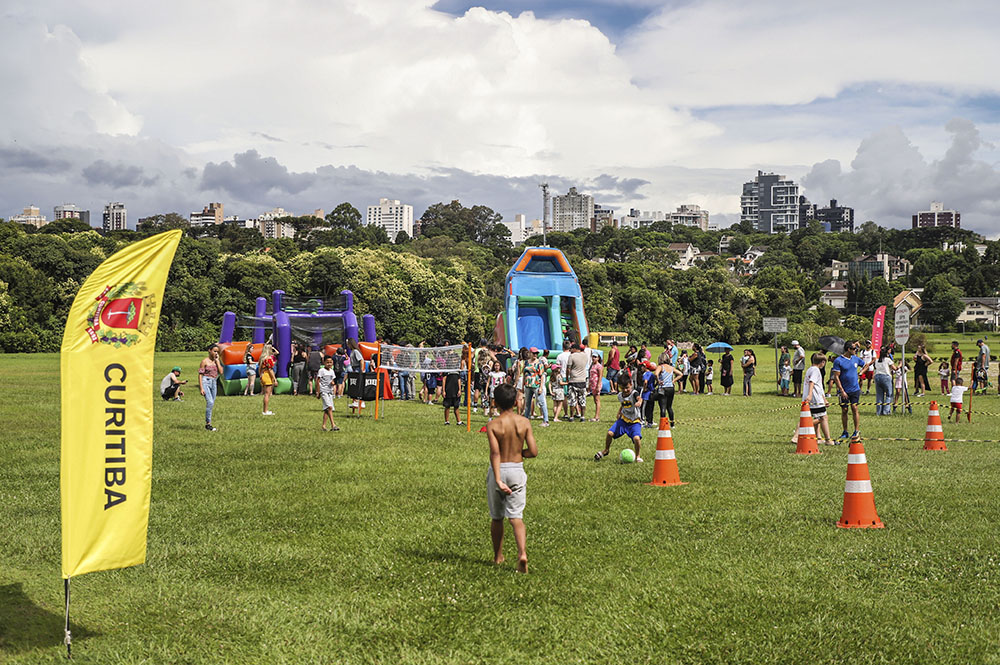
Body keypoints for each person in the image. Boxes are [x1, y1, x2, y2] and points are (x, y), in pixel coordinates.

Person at [485, 383, 537, 573]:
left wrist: (498, 479)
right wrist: (519, 452)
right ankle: (522, 553)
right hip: (517, 470)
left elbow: (495, 454)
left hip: (499, 471)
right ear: (516, 402)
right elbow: (533, 451)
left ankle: (498, 556)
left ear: (495, 403)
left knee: (497, 518)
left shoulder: (493, 425)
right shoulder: (524, 422)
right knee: (516, 517)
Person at [595, 375, 643, 463]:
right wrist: (619, 412)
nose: (625, 390)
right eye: (622, 388)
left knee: (636, 438)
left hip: (634, 421)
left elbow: (639, 398)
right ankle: (606, 450)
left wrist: (639, 402)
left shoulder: (634, 393)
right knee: (609, 433)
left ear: (631, 384)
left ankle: (638, 456)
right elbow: (623, 404)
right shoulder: (620, 395)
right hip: (623, 420)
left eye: (627, 388)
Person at [831, 342, 873, 441]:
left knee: (854, 408)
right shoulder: (838, 361)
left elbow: (866, 365)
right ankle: (845, 431)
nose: (856, 350)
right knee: (844, 410)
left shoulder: (855, 359)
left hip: (855, 389)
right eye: (854, 349)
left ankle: (856, 430)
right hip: (844, 390)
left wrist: (861, 372)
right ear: (848, 349)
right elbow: (836, 377)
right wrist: (841, 391)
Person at [793, 353, 836, 446]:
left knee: (811, 417)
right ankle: (828, 440)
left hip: (813, 398)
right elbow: (812, 383)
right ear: (823, 362)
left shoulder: (810, 369)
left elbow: (819, 387)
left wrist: (824, 399)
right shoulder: (816, 370)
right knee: (823, 418)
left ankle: (818, 438)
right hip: (815, 399)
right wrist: (810, 395)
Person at [522, 348, 549, 427]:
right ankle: (526, 419)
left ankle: (546, 420)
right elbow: (524, 374)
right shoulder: (526, 362)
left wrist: (541, 387)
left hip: (536, 385)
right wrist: (523, 385)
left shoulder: (539, 363)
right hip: (528, 385)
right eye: (533, 353)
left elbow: (542, 375)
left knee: (542, 402)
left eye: (536, 353)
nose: (535, 355)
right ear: (530, 353)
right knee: (527, 403)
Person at [198, 344, 224, 431]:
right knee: (210, 402)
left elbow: (221, 372)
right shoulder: (204, 361)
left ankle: (208, 422)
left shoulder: (217, 361)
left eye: (217, 351)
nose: (216, 353)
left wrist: (217, 362)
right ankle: (208, 424)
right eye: (214, 351)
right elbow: (200, 375)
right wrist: (201, 388)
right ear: (210, 350)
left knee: (212, 403)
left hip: (214, 382)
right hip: (206, 381)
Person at [654, 358, 683, 428]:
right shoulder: (671, 368)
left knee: (663, 407)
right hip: (671, 388)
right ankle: (672, 424)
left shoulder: (660, 367)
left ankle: (662, 425)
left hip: (663, 388)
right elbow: (680, 374)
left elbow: (655, 374)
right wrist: (673, 381)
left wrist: (658, 381)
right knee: (669, 407)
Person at [565, 343, 589, 422]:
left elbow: (568, 368)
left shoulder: (572, 356)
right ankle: (582, 416)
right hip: (582, 380)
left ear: (574, 349)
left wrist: (567, 377)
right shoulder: (585, 356)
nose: (570, 350)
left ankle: (571, 416)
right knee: (582, 400)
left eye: (571, 349)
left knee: (572, 400)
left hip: (573, 380)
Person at [317, 355, 340, 431]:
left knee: (327, 409)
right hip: (324, 391)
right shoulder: (321, 371)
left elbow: (333, 380)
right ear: (324, 362)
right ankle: (333, 425)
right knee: (329, 407)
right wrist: (318, 391)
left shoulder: (332, 371)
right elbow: (318, 381)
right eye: (327, 362)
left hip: (330, 392)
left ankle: (323, 426)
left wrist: (333, 383)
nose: (329, 364)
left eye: (330, 362)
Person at [873, 346, 896, 417]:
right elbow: (894, 368)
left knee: (879, 395)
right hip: (886, 377)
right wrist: (901, 365)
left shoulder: (876, 360)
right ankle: (886, 411)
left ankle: (878, 412)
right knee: (889, 395)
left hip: (877, 376)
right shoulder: (887, 360)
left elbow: (875, 367)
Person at [258, 342, 277, 416]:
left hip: (263, 375)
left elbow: (260, 369)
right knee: (267, 394)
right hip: (267, 376)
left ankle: (265, 410)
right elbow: (270, 370)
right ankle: (265, 411)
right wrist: (274, 379)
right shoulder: (268, 359)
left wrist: (260, 376)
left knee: (266, 393)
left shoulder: (262, 358)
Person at [588, 352, 604, 421]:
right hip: (592, 384)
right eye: (593, 357)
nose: (593, 358)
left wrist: (598, 385)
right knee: (595, 400)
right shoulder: (592, 365)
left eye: (595, 357)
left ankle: (597, 416)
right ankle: (596, 416)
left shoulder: (599, 366)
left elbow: (600, 376)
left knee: (597, 400)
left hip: (596, 384)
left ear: (598, 358)